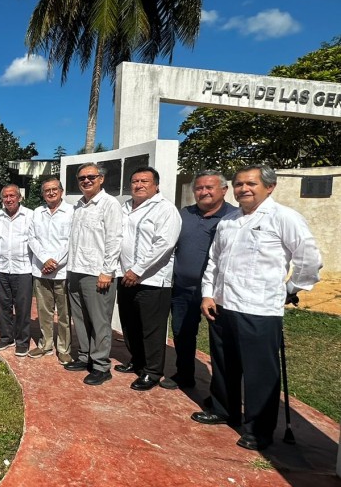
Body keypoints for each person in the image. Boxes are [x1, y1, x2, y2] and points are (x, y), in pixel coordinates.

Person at [193, 165, 322, 451]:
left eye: (250, 184)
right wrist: (207, 295)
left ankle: (258, 430)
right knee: (224, 364)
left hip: (259, 309)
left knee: (259, 372)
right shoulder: (229, 221)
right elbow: (214, 262)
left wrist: (291, 289)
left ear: (270, 187)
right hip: (223, 305)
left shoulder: (284, 218)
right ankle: (223, 409)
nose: (243, 189)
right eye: (239, 184)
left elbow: (309, 259)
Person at [165, 171, 239, 389]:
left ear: (224, 190)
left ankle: (220, 393)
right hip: (183, 289)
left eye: (210, 187)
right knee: (182, 334)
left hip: (218, 292)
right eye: (199, 188)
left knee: (221, 343)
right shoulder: (184, 214)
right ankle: (184, 374)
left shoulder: (234, 217)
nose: (204, 192)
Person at [113, 167, 181, 390]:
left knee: (151, 328)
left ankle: (152, 371)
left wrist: (138, 270)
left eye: (144, 181)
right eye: (135, 181)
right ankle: (137, 361)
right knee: (130, 324)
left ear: (156, 185)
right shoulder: (124, 207)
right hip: (125, 277)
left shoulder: (165, 210)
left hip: (151, 281)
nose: (139, 185)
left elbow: (165, 244)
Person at [65, 163, 122, 386]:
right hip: (76, 270)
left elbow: (114, 239)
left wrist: (107, 271)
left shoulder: (109, 205)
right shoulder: (79, 206)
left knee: (99, 321)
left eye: (91, 177)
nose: (86, 181)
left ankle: (101, 366)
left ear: (101, 179)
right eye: (82, 178)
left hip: (97, 273)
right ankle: (85, 356)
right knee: (80, 318)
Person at [28, 177, 74, 363]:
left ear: (61, 191)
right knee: (44, 311)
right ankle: (45, 344)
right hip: (41, 270)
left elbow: (72, 240)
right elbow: (32, 238)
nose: (51, 192)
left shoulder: (72, 211)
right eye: (47, 190)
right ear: (43, 193)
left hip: (62, 271)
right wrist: (45, 260)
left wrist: (55, 262)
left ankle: (63, 348)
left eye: (55, 189)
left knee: (64, 314)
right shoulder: (37, 212)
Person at [0, 184, 33, 357]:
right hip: (2, 268)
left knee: (22, 306)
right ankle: (6, 337)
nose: (8, 199)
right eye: (5, 196)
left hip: (23, 268)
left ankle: (22, 340)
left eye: (12, 196)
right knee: (3, 305)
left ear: (19, 197)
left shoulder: (30, 215)